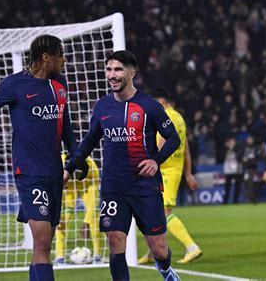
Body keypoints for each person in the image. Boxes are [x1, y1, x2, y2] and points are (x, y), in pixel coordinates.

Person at [0, 34, 88, 281]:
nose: (64, 60)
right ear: (46, 57)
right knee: (43, 241)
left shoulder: (60, 85)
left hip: (54, 173)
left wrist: (77, 156)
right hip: (29, 173)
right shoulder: (14, 84)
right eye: (60, 54)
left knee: (43, 247)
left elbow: (66, 126)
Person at [65, 50, 181, 281]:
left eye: (118, 69)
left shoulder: (149, 106)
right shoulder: (102, 107)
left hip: (145, 187)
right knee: (115, 241)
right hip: (113, 187)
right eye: (109, 69)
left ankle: (165, 268)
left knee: (158, 248)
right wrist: (73, 163)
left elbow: (174, 138)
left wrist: (155, 161)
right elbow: (91, 137)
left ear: (131, 73)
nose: (112, 74)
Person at [138, 87, 202, 265]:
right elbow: (185, 146)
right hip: (172, 169)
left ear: (162, 102)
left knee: (163, 214)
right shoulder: (179, 117)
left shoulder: (167, 116)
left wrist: (148, 161)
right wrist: (187, 173)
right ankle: (153, 251)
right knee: (148, 212)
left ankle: (192, 247)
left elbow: (161, 144)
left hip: (166, 171)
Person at [54, 153, 102, 265]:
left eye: (78, 174)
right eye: (73, 174)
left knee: (94, 219)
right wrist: (57, 214)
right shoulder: (59, 165)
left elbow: (94, 198)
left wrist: (87, 222)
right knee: (62, 221)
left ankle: (98, 256)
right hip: (69, 187)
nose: (76, 177)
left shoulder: (92, 167)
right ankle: (59, 257)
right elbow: (57, 192)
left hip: (88, 186)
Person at [223, 137, 243, 204]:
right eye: (230, 142)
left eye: (232, 142)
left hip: (237, 171)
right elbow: (222, 156)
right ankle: (225, 201)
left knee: (237, 187)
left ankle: (235, 201)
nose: (231, 143)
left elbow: (239, 156)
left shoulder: (238, 148)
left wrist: (232, 148)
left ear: (235, 142)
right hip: (228, 171)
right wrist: (228, 148)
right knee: (227, 187)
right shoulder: (226, 149)